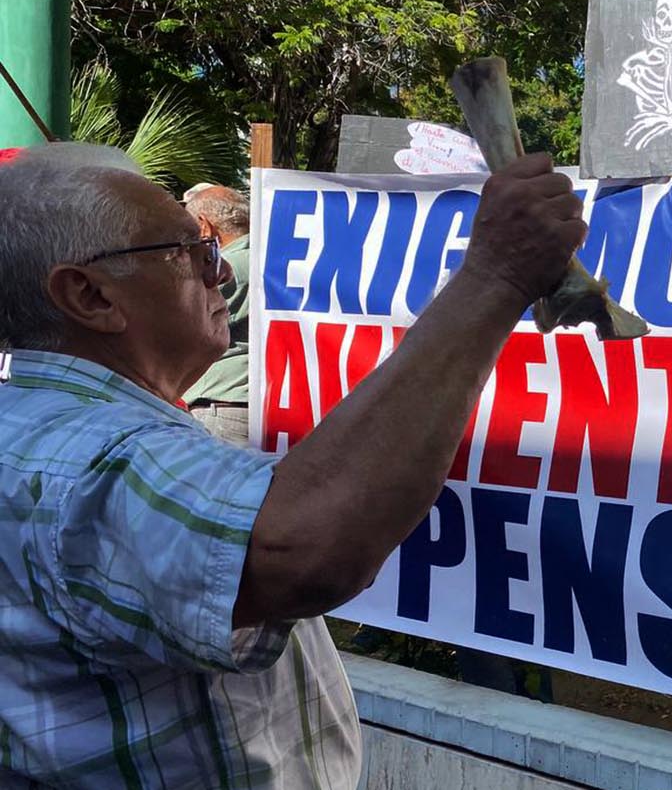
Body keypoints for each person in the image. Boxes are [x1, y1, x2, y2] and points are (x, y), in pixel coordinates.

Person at [0, 142, 584, 788]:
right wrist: (494, 278)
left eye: (211, 249)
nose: (219, 273)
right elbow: (302, 547)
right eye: (187, 252)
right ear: (89, 294)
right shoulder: (79, 457)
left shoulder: (51, 428)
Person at [182, 182, 254, 442]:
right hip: (270, 410)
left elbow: (179, 329)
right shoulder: (278, 262)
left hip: (222, 410)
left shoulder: (227, 269)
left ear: (203, 226)